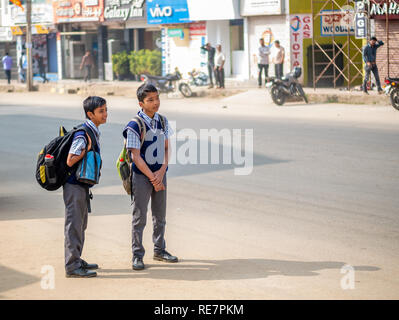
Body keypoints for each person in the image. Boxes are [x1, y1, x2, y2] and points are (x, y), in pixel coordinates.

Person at [123, 83, 178, 271]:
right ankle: (137, 255)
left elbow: (166, 148)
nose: (156, 103)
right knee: (140, 217)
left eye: (157, 98)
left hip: (160, 174)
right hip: (141, 177)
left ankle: (159, 250)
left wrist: (162, 171)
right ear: (141, 103)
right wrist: (152, 177)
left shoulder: (162, 121)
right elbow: (135, 156)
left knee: (160, 215)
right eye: (150, 100)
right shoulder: (134, 125)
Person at [64, 96, 107, 278]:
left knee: (81, 224)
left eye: (106, 110)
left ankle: (77, 258)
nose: (105, 114)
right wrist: (85, 150)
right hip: (74, 185)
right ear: (90, 114)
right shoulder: (83, 134)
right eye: (101, 111)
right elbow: (70, 159)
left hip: (81, 186)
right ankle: (72, 266)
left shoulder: (92, 130)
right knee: (74, 224)